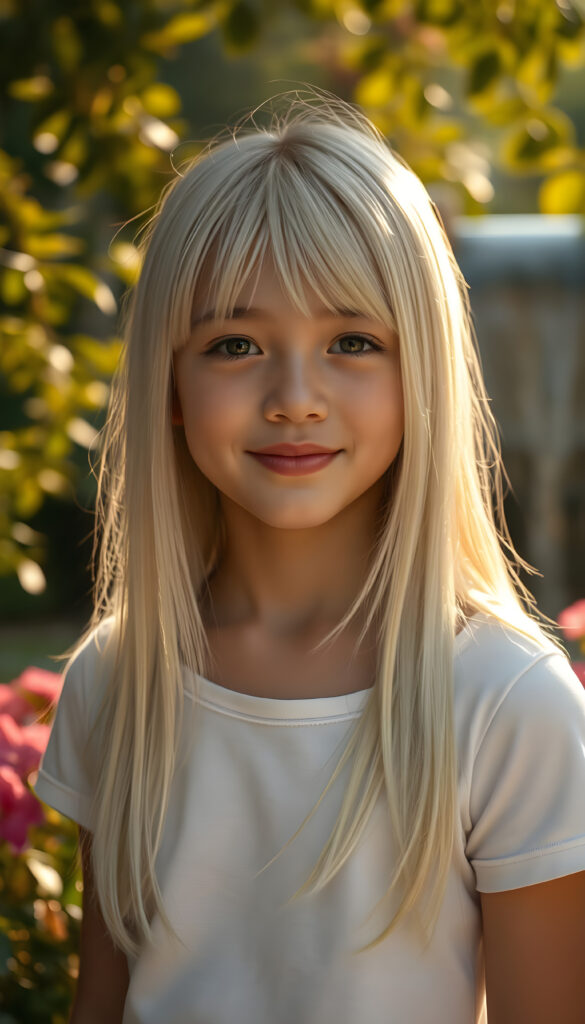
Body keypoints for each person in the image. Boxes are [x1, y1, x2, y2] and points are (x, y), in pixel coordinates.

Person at [33, 92, 585, 1024]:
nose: (295, 396)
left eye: (353, 342)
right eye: (235, 343)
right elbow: (103, 1000)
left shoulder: (506, 704)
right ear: (168, 380)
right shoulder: (117, 679)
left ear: (424, 375)